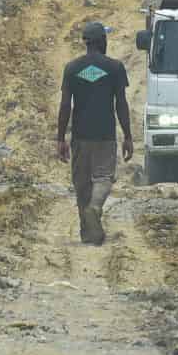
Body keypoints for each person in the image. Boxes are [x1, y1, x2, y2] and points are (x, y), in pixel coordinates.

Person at [57, 21, 133, 245]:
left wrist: (60, 138)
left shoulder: (72, 68)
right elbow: (121, 103)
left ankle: (87, 233)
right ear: (103, 42)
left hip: (80, 137)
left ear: (86, 43)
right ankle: (96, 208)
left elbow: (64, 106)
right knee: (103, 178)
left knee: (81, 183)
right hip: (105, 136)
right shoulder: (115, 67)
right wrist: (127, 135)